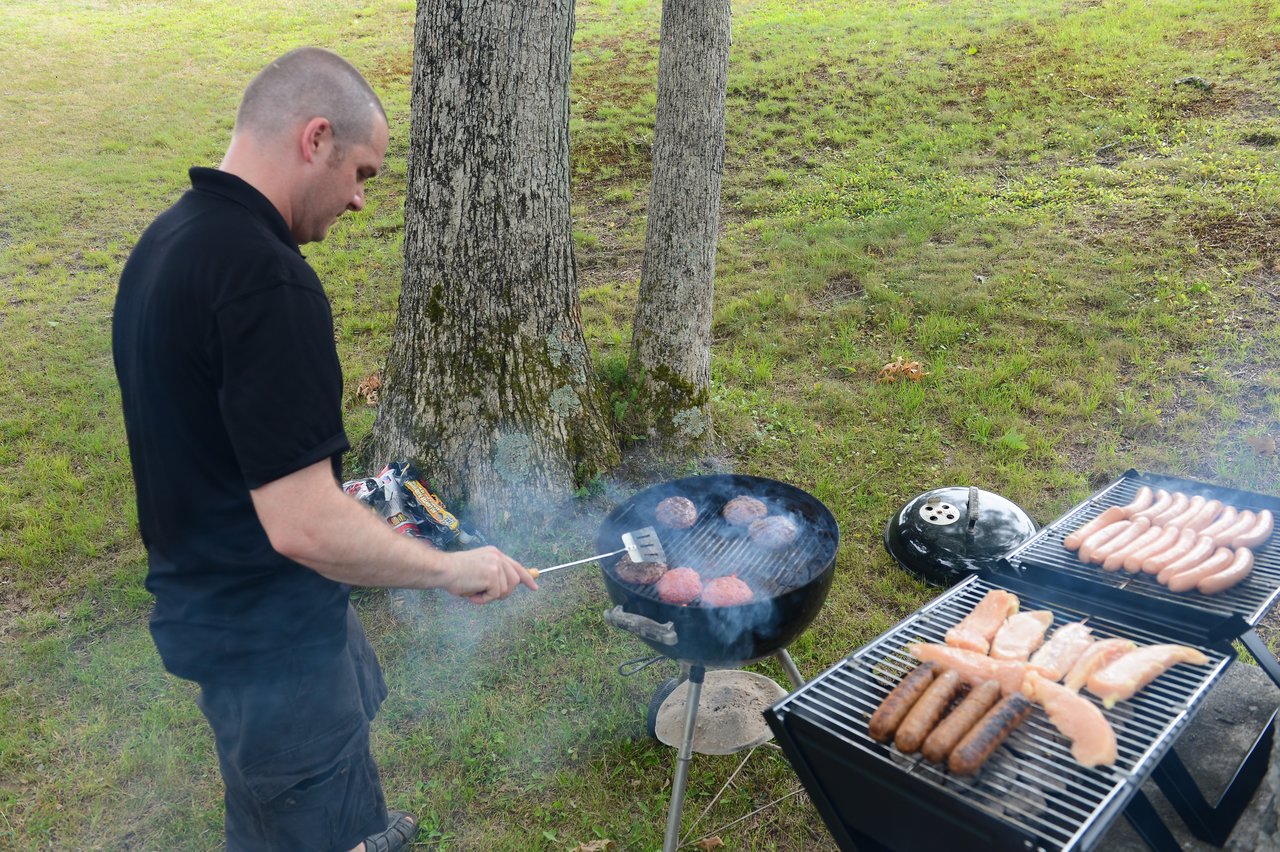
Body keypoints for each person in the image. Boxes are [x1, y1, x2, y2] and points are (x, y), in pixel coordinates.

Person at [112, 47, 538, 852]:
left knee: (286, 796)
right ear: (315, 138)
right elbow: (302, 526)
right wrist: (455, 568)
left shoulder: (167, 243)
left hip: (227, 617)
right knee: (300, 812)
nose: (359, 201)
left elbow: (228, 454)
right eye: (363, 174)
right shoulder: (268, 284)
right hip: (270, 643)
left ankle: (360, 824)